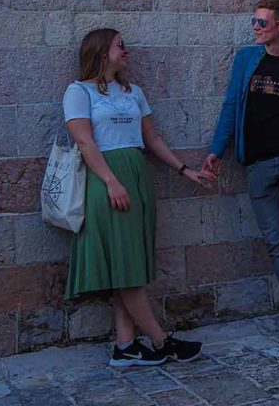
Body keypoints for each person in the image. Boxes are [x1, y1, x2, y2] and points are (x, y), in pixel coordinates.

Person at [63, 28, 214, 368]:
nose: (126, 50)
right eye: (120, 45)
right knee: (126, 264)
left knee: (126, 263)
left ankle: (125, 345)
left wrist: (184, 169)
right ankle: (162, 341)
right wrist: (111, 182)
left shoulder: (133, 92)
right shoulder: (78, 92)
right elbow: (86, 142)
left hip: (136, 173)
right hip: (106, 177)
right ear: (102, 51)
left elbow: (152, 139)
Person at [202, 0, 279, 346]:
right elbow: (231, 106)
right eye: (254, 22)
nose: (255, 28)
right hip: (256, 164)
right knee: (276, 242)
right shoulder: (245, 61)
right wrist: (216, 151)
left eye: (261, 22)